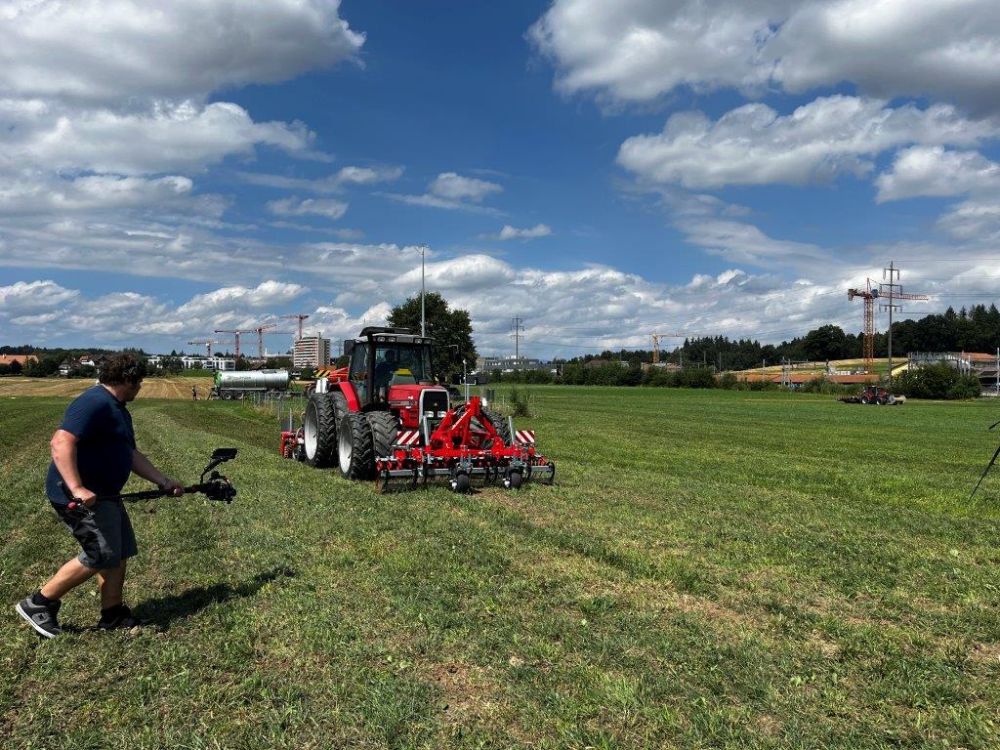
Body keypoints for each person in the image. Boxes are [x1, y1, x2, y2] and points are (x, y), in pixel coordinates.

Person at [15, 353, 184, 638]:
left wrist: (163, 481)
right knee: (101, 552)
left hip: (106, 494)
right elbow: (60, 442)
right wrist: (77, 488)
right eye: (139, 381)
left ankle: (112, 614)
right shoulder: (94, 402)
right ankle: (39, 602)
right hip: (78, 497)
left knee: (119, 551)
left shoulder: (118, 409)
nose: (140, 387)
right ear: (128, 380)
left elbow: (129, 454)